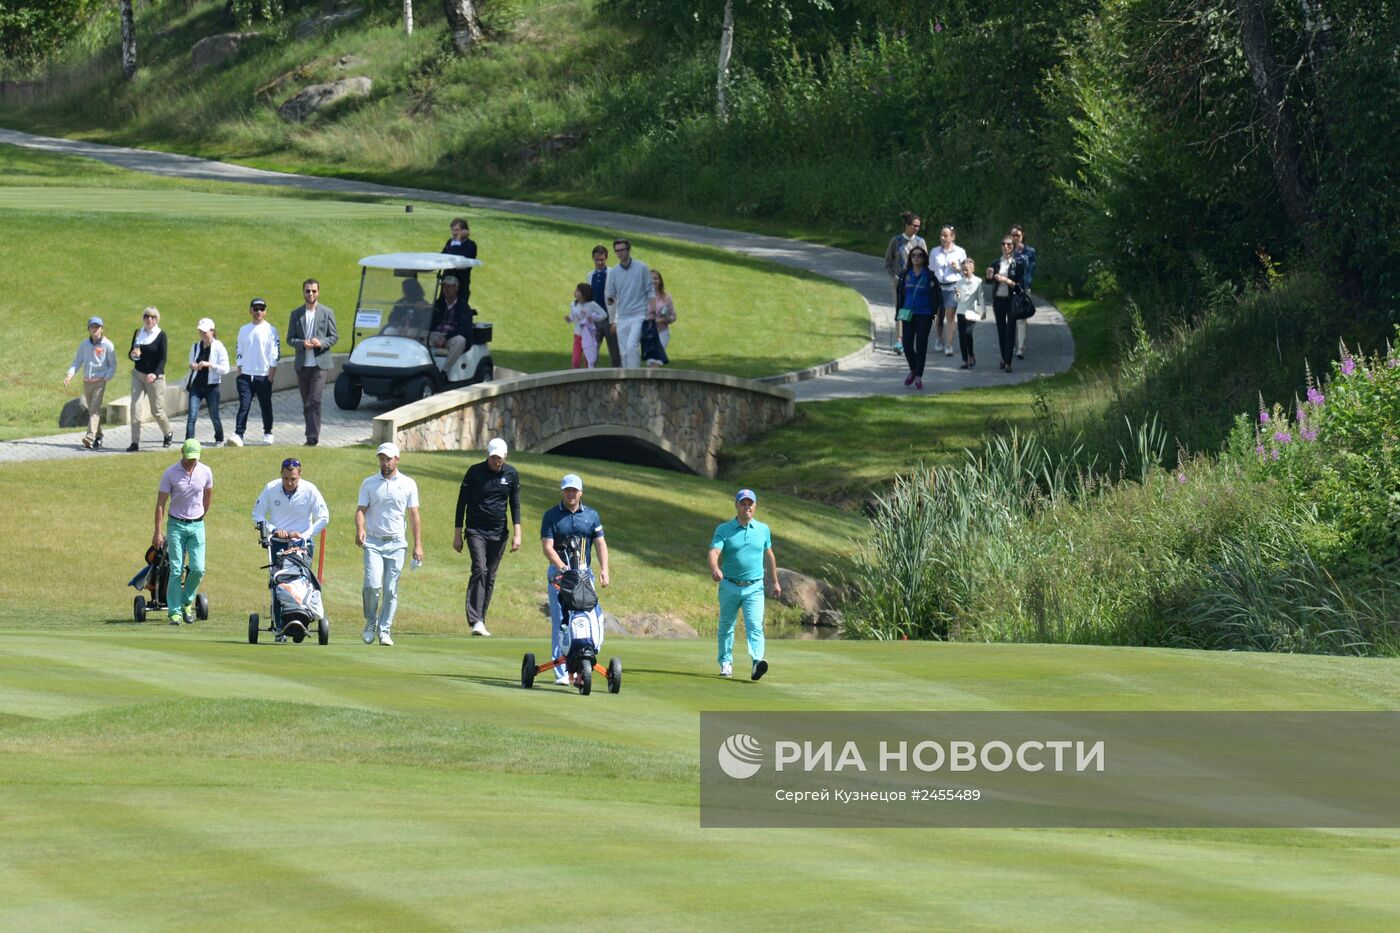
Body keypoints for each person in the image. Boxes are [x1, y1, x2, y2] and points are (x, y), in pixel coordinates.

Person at [251, 456, 330, 642]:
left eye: (293, 479)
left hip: (302, 544)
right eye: (286, 478)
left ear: (299, 476)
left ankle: (301, 619)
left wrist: (305, 534)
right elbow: (257, 514)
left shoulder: (310, 490)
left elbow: (324, 516)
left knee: (302, 581)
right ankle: (279, 626)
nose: (289, 482)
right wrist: (274, 530)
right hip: (277, 543)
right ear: (281, 475)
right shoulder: (271, 488)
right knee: (278, 583)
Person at [540, 473, 609, 685]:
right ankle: (561, 672)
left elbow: (600, 543)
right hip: (559, 575)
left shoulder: (591, 515)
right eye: (567, 490)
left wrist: (604, 568)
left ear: (581, 492)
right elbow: (547, 547)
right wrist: (561, 567)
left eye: (574, 490)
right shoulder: (551, 516)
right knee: (561, 619)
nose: (571, 494)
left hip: (584, 574)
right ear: (562, 491)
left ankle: (582, 667)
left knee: (586, 618)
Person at [707, 488, 780, 680]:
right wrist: (715, 568)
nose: (747, 507)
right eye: (743, 503)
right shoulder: (724, 529)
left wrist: (774, 581)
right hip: (729, 584)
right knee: (726, 625)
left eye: (750, 504)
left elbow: (769, 554)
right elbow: (714, 552)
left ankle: (757, 662)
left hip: (755, 587)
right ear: (737, 505)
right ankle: (726, 662)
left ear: (755, 506)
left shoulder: (763, 529)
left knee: (755, 624)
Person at [453, 437, 522, 637]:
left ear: (505, 457)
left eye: (499, 458)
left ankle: (481, 619)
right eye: (493, 457)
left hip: (499, 533)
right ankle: (475, 619)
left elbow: (515, 504)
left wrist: (518, 533)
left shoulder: (511, 474)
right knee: (479, 569)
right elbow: (461, 504)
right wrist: (458, 534)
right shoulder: (474, 472)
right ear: (487, 455)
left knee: (490, 575)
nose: (496, 461)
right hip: (475, 530)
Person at [356, 442, 423, 647]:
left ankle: (385, 630)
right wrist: (360, 529)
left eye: (388, 459)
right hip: (373, 542)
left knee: (391, 589)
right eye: (381, 459)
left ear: (397, 460)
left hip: (396, 543)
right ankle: (370, 623)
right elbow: (360, 511)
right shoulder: (369, 483)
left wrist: (417, 544)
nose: (384, 463)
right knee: (372, 585)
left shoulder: (408, 483)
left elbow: (413, 516)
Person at [153, 439, 213, 626]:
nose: (190, 462)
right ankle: (174, 612)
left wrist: (199, 516)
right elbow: (161, 504)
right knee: (176, 569)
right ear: (181, 452)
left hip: (197, 525)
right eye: (188, 458)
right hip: (176, 525)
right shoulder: (170, 473)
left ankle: (186, 601)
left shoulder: (205, 471)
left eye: (194, 459)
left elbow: (208, 497)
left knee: (198, 568)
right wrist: (158, 532)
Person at [287, 279, 338, 447]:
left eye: (314, 291)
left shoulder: (327, 312)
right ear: (303, 292)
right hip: (302, 365)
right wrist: (302, 343)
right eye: (308, 291)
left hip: (319, 364)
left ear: (318, 292)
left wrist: (321, 343)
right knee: (306, 403)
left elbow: (334, 336)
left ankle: (312, 437)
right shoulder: (296, 314)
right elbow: (290, 339)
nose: (311, 294)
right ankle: (311, 435)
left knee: (314, 400)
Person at [64, 315, 116, 450]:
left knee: (94, 409)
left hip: (100, 381)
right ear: (89, 329)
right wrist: (70, 374)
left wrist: (106, 377)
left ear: (102, 329)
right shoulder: (84, 345)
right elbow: (77, 362)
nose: (95, 329)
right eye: (93, 327)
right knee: (93, 410)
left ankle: (90, 437)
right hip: (87, 382)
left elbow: (112, 365)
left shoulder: (108, 345)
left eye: (97, 327)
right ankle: (98, 436)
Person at [233, 298, 279, 446]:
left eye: (261, 309)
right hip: (246, 375)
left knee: (265, 405)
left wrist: (271, 375)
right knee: (244, 405)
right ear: (250, 310)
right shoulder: (243, 329)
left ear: (265, 311)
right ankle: (239, 434)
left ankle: (268, 432)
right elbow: (239, 350)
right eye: (255, 308)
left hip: (263, 375)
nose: (258, 311)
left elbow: (274, 353)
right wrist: (240, 372)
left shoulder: (271, 330)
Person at [126, 306, 173, 452]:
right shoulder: (138, 333)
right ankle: (134, 442)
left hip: (155, 378)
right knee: (135, 408)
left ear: (157, 319)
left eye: (152, 317)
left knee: (156, 410)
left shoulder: (161, 335)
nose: (149, 319)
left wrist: (155, 373)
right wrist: (133, 354)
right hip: (138, 375)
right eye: (146, 316)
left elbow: (163, 359)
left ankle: (168, 433)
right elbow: (132, 354)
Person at [603, 238, 655, 368]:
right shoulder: (614, 272)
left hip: (639, 315)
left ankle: (634, 377)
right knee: (624, 352)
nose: (620, 253)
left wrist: (652, 312)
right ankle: (626, 379)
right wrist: (610, 301)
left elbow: (650, 291)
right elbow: (610, 294)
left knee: (632, 346)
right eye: (617, 251)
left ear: (628, 250)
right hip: (622, 317)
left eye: (622, 250)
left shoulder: (641, 268)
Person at [883, 212, 927, 353]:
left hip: (916, 284)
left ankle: (912, 340)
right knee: (901, 311)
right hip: (900, 284)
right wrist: (894, 277)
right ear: (907, 225)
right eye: (914, 225)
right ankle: (899, 340)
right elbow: (887, 262)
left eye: (919, 226)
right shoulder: (895, 241)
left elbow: (925, 263)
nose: (917, 228)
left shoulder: (920, 242)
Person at [185, 318, 230, 445]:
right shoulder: (195, 346)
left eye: (205, 332)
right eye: (200, 331)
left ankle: (219, 438)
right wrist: (193, 365)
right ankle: (188, 442)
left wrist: (210, 365)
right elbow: (191, 362)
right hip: (196, 386)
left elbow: (225, 368)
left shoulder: (218, 346)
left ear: (212, 331)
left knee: (214, 416)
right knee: (192, 416)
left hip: (212, 387)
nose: (202, 334)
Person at [987, 236, 1027, 373]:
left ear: (1013, 246)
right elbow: (989, 281)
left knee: (1010, 331)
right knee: (1001, 331)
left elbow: (1020, 286)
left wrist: (1006, 280)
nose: (1006, 247)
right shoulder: (996, 262)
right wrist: (989, 276)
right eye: (1003, 244)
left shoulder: (1018, 263)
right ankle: (1004, 358)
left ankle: (1008, 362)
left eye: (1009, 244)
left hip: (1012, 301)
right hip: (998, 299)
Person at [899, 246, 936, 389]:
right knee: (907, 345)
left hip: (924, 314)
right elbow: (900, 294)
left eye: (919, 255)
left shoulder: (929, 275)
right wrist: (899, 309)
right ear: (910, 258)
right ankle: (913, 369)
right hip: (908, 313)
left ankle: (919, 376)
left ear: (924, 258)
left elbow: (936, 296)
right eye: (913, 255)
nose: (916, 258)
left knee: (921, 346)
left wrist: (937, 313)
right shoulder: (905, 274)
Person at [932, 225, 968, 358]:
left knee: (951, 315)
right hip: (938, 287)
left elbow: (966, 271)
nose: (943, 238)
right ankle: (940, 339)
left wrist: (958, 267)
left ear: (952, 237)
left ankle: (949, 344)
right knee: (938, 315)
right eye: (941, 235)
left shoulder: (960, 252)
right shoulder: (935, 252)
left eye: (946, 235)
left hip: (953, 286)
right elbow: (931, 269)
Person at [429, 275, 473, 374]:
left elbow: (464, 328)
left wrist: (446, 337)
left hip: (451, 336)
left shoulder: (463, 306)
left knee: (460, 341)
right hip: (436, 334)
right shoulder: (439, 303)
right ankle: (424, 368)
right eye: (444, 286)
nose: (446, 289)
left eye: (449, 286)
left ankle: (444, 372)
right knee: (414, 334)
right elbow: (430, 320)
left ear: (456, 288)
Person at [588, 245, 622, 367]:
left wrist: (616, 320)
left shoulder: (613, 274)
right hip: (595, 319)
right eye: (597, 259)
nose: (599, 262)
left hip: (609, 319)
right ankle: (590, 377)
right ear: (593, 258)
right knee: (591, 352)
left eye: (602, 259)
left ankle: (618, 379)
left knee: (615, 353)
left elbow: (619, 298)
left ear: (606, 258)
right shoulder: (590, 275)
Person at [952, 258, 986, 370]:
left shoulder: (978, 281)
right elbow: (957, 300)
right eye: (963, 270)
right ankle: (964, 360)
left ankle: (971, 353)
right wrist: (956, 295)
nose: (964, 272)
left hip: (972, 312)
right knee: (962, 336)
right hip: (961, 312)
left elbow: (981, 297)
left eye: (966, 270)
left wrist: (983, 311)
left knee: (968, 333)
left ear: (973, 269)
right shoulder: (959, 282)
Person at [1011, 224, 1038, 360]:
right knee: (1010, 318)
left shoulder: (1030, 252)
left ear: (1022, 236)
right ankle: (1011, 345)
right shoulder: (1008, 249)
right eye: (1013, 235)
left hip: (1023, 288)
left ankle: (1020, 348)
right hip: (1010, 287)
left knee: (1021, 319)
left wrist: (1024, 285)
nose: (1015, 238)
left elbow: (1030, 270)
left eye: (1018, 235)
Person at [566, 283, 608, 369]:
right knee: (575, 361)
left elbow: (604, 314)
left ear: (584, 293)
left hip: (589, 336)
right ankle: (575, 377)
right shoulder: (573, 304)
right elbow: (573, 317)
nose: (575, 292)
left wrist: (593, 317)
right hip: (577, 335)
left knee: (588, 360)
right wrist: (569, 319)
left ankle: (588, 377)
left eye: (578, 291)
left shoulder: (592, 304)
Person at [441, 217, 478, 308]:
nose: (454, 233)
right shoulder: (450, 242)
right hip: (447, 282)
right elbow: (443, 257)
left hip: (460, 284)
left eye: (457, 230)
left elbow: (456, 258)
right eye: (453, 230)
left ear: (465, 231)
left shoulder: (471, 245)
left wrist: (457, 240)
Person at [646, 269, 677, 367]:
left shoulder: (666, 297)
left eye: (656, 278)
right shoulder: (643, 297)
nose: (653, 281)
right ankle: (652, 382)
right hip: (648, 334)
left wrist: (663, 319)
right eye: (651, 279)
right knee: (651, 363)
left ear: (660, 281)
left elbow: (673, 317)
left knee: (656, 361)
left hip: (662, 333)